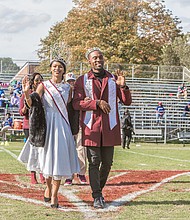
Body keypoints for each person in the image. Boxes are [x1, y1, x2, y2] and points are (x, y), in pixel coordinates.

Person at [73, 47, 132, 209]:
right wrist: (96, 103)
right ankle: (97, 195)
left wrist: (123, 87)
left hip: (109, 127)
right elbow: (76, 103)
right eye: (94, 58)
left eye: (100, 57)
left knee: (107, 163)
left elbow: (126, 102)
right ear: (89, 61)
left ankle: (98, 189)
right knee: (94, 162)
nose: (98, 60)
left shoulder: (113, 79)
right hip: (91, 127)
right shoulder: (82, 80)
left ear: (103, 59)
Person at [21, 58, 80, 208]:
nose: (57, 69)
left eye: (60, 67)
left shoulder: (68, 88)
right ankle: (48, 187)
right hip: (47, 125)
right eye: (54, 66)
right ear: (51, 69)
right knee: (47, 159)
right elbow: (32, 105)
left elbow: (71, 109)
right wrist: (27, 93)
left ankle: (54, 195)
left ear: (64, 70)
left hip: (62, 125)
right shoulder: (44, 85)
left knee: (59, 159)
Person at [18, 72, 45, 184]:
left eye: (41, 80)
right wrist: (27, 104)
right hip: (29, 125)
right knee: (32, 151)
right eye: (37, 80)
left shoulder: (44, 93)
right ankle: (33, 174)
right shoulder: (27, 94)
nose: (39, 82)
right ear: (33, 82)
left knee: (42, 150)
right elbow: (21, 112)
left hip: (42, 124)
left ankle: (42, 173)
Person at [64, 72, 87, 186]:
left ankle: (81, 173)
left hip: (79, 124)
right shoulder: (63, 93)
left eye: (72, 81)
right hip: (67, 124)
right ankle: (68, 175)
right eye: (69, 82)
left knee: (81, 150)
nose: (71, 84)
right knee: (68, 150)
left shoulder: (79, 93)